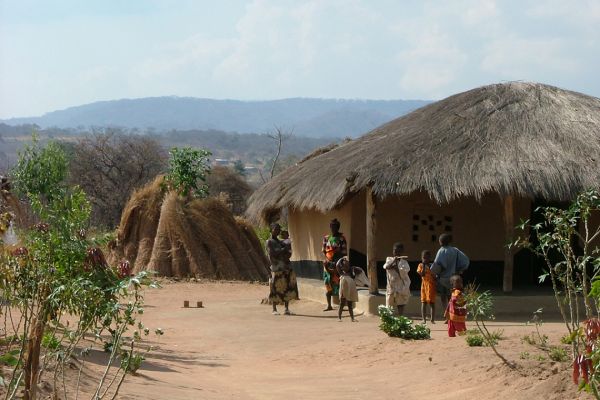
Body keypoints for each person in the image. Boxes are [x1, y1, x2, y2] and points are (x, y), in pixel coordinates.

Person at [431, 233, 469, 320]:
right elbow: (465, 261)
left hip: (442, 279)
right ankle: (452, 315)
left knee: (443, 298)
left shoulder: (441, 251)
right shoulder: (455, 250)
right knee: (452, 298)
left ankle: (447, 315)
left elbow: (437, 265)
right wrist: (460, 270)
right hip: (453, 279)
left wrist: (434, 274)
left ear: (440, 242)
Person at [266, 223, 298, 315]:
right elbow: (272, 254)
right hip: (276, 268)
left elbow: (288, 254)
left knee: (287, 287)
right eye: (276, 229)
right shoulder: (269, 242)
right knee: (275, 288)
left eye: (279, 229)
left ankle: (286, 309)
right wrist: (283, 250)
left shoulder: (282, 242)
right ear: (271, 230)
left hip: (285, 266)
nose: (278, 231)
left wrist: (287, 249)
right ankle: (274, 309)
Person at [322, 218, 347, 311]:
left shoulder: (341, 238)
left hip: (338, 264)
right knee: (327, 283)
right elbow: (324, 251)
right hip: (328, 264)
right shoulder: (326, 238)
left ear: (338, 227)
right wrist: (329, 259)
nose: (333, 228)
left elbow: (344, 252)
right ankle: (329, 305)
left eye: (335, 226)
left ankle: (341, 305)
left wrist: (336, 258)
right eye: (332, 226)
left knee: (340, 284)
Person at [382, 242, 411, 316]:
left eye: (399, 251)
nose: (397, 253)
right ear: (393, 251)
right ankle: (388, 321)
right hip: (391, 287)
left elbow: (404, 273)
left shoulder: (404, 262)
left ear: (402, 252)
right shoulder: (389, 259)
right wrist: (394, 262)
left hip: (400, 286)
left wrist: (397, 268)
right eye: (395, 251)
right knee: (389, 305)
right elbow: (387, 267)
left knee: (400, 304)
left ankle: (401, 319)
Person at [417, 250, 436, 324]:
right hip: (424, 286)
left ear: (429, 258)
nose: (425, 259)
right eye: (423, 258)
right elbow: (422, 274)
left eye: (427, 258)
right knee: (423, 302)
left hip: (431, 286)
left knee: (432, 303)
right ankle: (424, 319)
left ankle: (432, 319)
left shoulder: (432, 266)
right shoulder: (421, 265)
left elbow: (435, 276)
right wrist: (424, 265)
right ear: (421, 258)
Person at [337, 257, 358, 322]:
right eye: (345, 266)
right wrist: (342, 259)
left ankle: (352, 318)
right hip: (343, 291)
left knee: (350, 304)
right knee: (342, 304)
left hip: (349, 291)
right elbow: (337, 265)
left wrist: (354, 271)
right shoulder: (341, 273)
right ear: (342, 267)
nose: (347, 267)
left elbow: (355, 277)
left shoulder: (350, 273)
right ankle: (339, 317)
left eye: (348, 265)